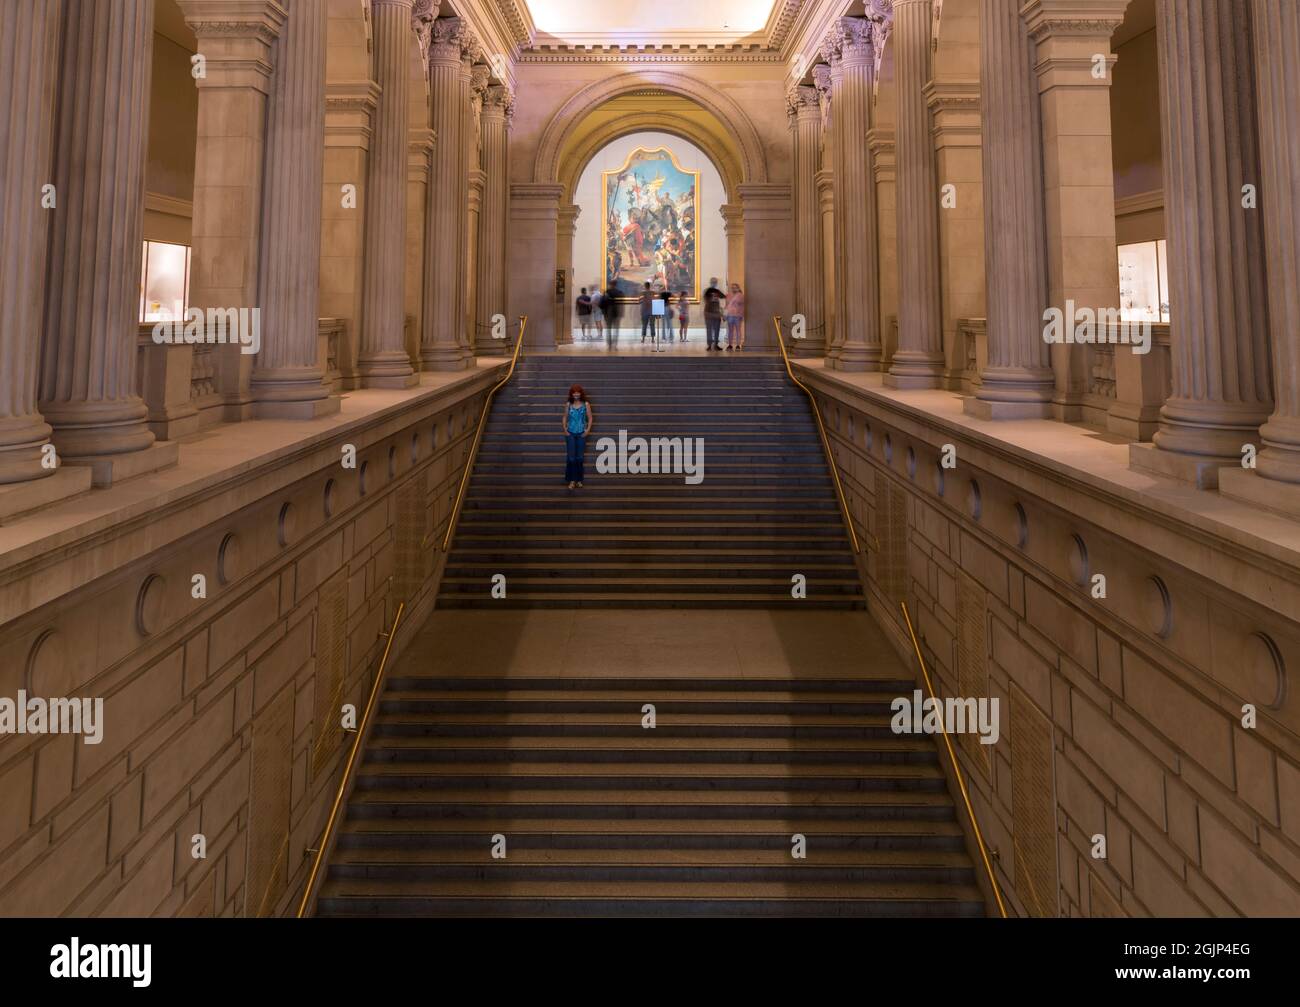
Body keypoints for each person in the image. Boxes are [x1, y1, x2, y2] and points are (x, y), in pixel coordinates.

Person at [562, 384, 592, 490]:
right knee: (571, 458)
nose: (576, 394)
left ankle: (579, 480)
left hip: (581, 434)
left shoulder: (586, 404)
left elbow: (590, 418)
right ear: (571, 393)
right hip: (570, 433)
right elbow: (565, 417)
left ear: (580, 393)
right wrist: (565, 430)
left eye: (578, 392)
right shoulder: (568, 404)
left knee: (579, 458)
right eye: (574, 392)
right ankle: (572, 481)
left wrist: (587, 430)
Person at [702, 277, 724, 351]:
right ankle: (709, 345)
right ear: (710, 282)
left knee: (717, 330)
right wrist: (712, 298)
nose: (714, 283)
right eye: (713, 281)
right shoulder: (707, 291)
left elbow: (724, 297)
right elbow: (705, 299)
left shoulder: (718, 291)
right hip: (708, 312)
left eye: (715, 282)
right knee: (709, 330)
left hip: (716, 313)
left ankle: (716, 344)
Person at [725, 283, 745, 351]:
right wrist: (725, 314)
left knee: (738, 331)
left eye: (735, 287)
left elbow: (742, 306)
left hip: (737, 315)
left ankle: (738, 345)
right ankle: (730, 345)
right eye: (732, 287)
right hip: (730, 315)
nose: (733, 288)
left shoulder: (740, 296)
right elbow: (726, 305)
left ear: (738, 288)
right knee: (730, 331)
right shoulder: (728, 295)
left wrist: (742, 315)